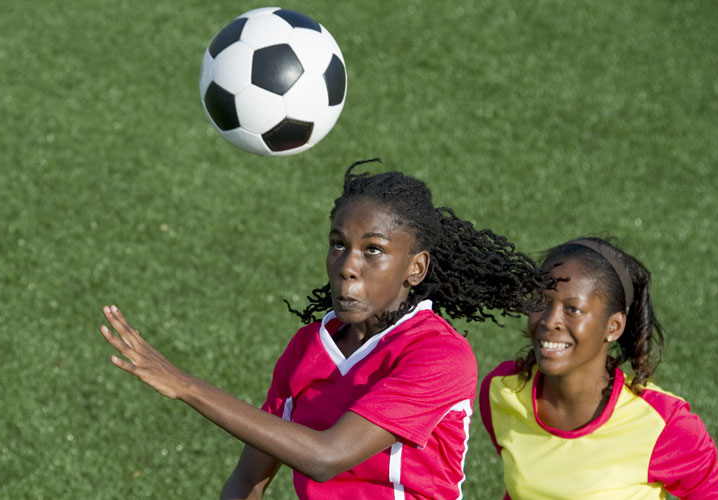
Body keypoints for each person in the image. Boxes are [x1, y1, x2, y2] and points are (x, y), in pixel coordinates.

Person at [99, 159, 549, 499]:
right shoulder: (308, 346)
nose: (347, 267)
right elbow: (248, 478)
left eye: (373, 250)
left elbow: (326, 457)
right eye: (339, 244)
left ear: (416, 267)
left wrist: (186, 386)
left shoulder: (439, 356)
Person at [479, 237, 718, 499]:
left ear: (613, 326)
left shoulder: (664, 424)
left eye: (573, 309)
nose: (550, 321)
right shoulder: (502, 390)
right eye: (541, 302)